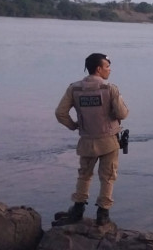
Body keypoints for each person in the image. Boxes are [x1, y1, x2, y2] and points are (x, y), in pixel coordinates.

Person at [54, 53, 129, 226]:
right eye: (107, 67)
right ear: (99, 69)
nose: (109, 70)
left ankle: (78, 209)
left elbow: (60, 113)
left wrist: (74, 126)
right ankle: (103, 214)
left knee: (84, 175)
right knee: (108, 176)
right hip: (109, 141)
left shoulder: (74, 89)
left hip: (87, 140)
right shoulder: (110, 89)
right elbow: (122, 114)